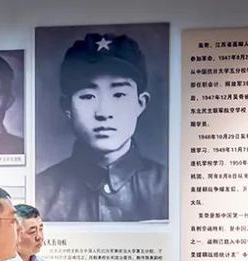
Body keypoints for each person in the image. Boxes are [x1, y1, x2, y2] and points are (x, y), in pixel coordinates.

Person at [36, 32, 167, 222]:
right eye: (88, 96)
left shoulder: (168, 186)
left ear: (141, 103)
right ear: (67, 107)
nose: (104, 113)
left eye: (119, 95)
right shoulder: (41, 191)